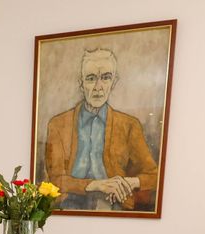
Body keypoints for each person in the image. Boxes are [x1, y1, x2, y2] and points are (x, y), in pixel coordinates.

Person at [43, 48, 159, 211]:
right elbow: (54, 181)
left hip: (115, 205)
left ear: (114, 82)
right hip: (68, 205)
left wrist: (125, 183)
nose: (98, 87)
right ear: (81, 83)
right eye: (91, 79)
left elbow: (154, 176)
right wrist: (96, 185)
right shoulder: (58, 124)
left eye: (105, 78)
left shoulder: (129, 125)